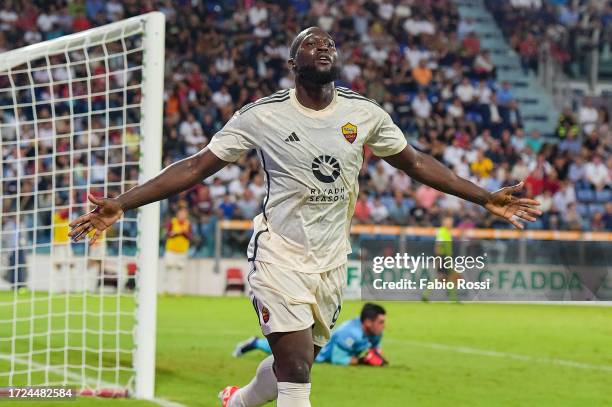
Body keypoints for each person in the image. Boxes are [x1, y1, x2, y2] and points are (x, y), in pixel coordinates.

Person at [68, 27, 541, 407]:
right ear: (293, 64)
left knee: (294, 366)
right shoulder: (262, 116)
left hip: (332, 261)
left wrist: (483, 198)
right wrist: (123, 202)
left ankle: (239, 402)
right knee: (295, 374)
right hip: (279, 253)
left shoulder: (365, 114)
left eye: (330, 44)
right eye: (311, 44)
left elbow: (415, 163)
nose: (323, 47)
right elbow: (196, 167)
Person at [233, 303, 388, 367]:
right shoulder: (350, 334)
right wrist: (362, 361)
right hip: (319, 352)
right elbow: (337, 359)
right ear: (368, 322)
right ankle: (255, 343)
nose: (383, 326)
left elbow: (376, 350)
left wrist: (380, 359)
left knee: (287, 350)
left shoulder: (374, 331)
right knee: (285, 351)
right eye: (380, 322)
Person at [163, 206, 192, 294]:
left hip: (182, 251)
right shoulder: (172, 222)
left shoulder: (188, 224)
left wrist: (183, 232)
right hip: (171, 250)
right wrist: (174, 233)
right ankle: (166, 290)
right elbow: (167, 233)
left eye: (184, 213)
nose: (183, 215)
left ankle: (177, 291)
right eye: (181, 213)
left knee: (180, 271)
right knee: (168, 270)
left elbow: (190, 236)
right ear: (177, 214)